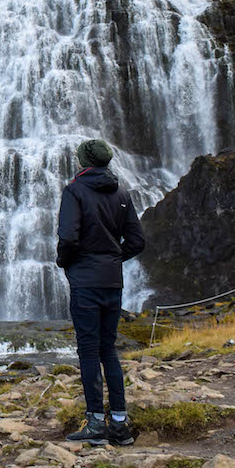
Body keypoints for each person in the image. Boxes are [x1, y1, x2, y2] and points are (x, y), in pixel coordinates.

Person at [56, 138, 145, 446]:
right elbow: (136, 241)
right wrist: (112, 258)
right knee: (109, 350)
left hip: (86, 282)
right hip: (112, 282)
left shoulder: (74, 191)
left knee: (89, 351)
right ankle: (119, 423)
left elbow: (68, 237)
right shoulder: (121, 192)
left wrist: (65, 262)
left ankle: (95, 422)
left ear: (83, 162)